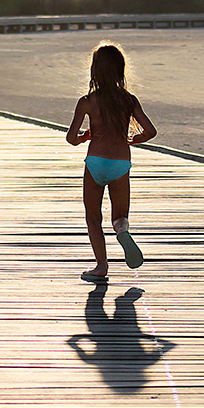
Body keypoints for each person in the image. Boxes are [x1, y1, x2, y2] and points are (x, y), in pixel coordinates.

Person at [66, 41, 157, 283]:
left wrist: (85, 136)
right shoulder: (129, 100)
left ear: (94, 70)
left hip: (95, 162)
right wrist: (133, 140)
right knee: (119, 215)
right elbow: (150, 131)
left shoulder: (87, 101)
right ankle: (123, 232)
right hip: (120, 164)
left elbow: (70, 138)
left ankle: (101, 266)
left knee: (93, 217)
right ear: (120, 70)